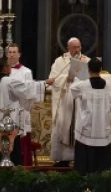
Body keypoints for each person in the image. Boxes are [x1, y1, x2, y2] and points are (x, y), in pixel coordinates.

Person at [0, 57, 52, 166]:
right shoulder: (8, 81)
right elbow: (26, 88)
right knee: (11, 141)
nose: (11, 68)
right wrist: (45, 83)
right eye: (9, 66)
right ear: (6, 68)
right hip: (9, 118)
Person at [47, 37, 90, 167]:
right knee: (62, 125)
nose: (77, 50)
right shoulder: (60, 61)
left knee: (80, 126)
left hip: (80, 100)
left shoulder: (86, 61)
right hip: (65, 99)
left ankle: (80, 157)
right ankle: (63, 158)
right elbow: (52, 79)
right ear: (68, 48)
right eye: (74, 47)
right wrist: (67, 77)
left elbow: (90, 78)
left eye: (79, 47)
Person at [0, 43, 34, 166]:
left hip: (16, 111)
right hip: (9, 111)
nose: (12, 55)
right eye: (10, 52)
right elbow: (27, 90)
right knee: (9, 137)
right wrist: (45, 84)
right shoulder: (2, 76)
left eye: (14, 52)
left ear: (19, 54)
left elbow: (27, 89)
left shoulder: (26, 72)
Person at [71, 57, 111, 175]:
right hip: (102, 127)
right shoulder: (108, 85)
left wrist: (78, 75)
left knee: (85, 166)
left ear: (88, 69)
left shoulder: (82, 85)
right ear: (101, 69)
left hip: (87, 127)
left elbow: (72, 89)